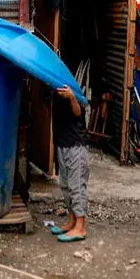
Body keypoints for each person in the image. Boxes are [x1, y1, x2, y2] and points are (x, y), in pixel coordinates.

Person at [49, 85, 89, 242]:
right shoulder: (55, 88)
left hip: (75, 146)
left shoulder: (74, 90)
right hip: (63, 144)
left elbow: (78, 113)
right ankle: (72, 220)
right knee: (65, 186)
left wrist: (72, 97)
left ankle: (80, 227)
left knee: (77, 186)